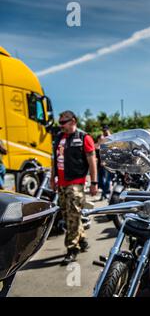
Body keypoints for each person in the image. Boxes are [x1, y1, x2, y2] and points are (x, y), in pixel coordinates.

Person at [50, 110, 98, 265]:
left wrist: (94, 183)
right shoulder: (59, 138)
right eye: (60, 122)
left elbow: (92, 162)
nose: (61, 125)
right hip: (62, 184)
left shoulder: (84, 137)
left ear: (73, 121)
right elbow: (55, 160)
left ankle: (72, 248)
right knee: (67, 215)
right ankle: (82, 239)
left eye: (63, 122)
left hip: (76, 183)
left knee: (72, 215)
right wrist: (52, 178)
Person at [96, 125, 112, 201]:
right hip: (102, 163)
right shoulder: (103, 138)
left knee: (107, 180)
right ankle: (105, 193)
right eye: (103, 130)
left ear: (108, 130)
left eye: (105, 130)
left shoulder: (111, 138)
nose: (104, 132)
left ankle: (105, 194)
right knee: (102, 181)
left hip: (108, 163)